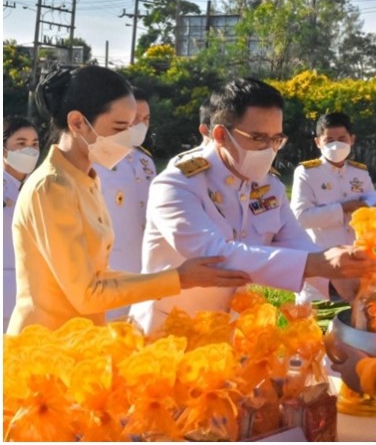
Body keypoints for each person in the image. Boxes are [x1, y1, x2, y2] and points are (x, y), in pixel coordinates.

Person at [6, 65, 251, 335]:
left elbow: (99, 274)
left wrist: (175, 278)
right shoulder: (52, 187)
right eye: (120, 127)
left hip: (80, 340)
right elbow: (88, 293)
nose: (131, 138)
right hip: (46, 346)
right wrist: (178, 279)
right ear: (78, 123)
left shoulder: (84, 179)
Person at [129, 78, 376, 333]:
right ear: (220, 135)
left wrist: (341, 278)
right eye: (258, 137)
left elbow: (295, 240)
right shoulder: (177, 183)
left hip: (228, 333)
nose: (269, 149)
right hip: (168, 334)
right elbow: (214, 255)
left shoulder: (268, 185)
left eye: (276, 139)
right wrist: (314, 263)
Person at [92, 87, 156, 321]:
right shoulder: (95, 159)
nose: (141, 125)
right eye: (135, 118)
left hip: (142, 264)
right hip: (108, 268)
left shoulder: (145, 161)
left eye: (146, 119)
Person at [291, 112, 376, 250]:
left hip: (358, 253)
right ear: (318, 142)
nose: (336, 145)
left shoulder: (359, 172)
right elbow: (300, 218)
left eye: (342, 139)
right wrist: (343, 208)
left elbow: (373, 201)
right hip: (322, 255)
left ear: (352, 139)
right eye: (329, 141)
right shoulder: (307, 173)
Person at [3, 117, 40, 332]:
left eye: (34, 144)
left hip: (28, 293)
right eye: (21, 143)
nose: (30, 150)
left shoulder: (34, 188)